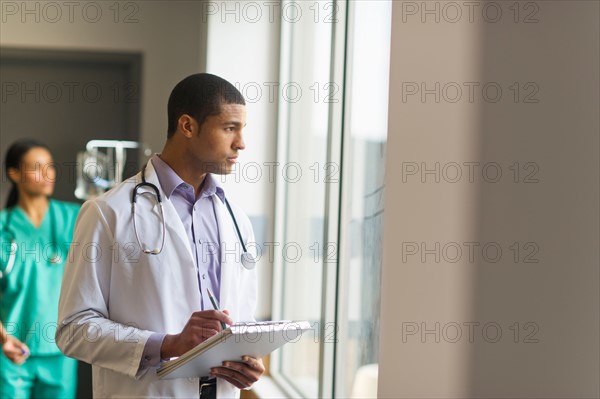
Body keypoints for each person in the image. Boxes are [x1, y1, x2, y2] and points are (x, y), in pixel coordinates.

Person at [57, 73, 265, 398]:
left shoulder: (236, 219)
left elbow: (241, 317)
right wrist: (167, 344)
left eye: (242, 130)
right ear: (188, 126)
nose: (241, 143)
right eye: (229, 128)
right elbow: (74, 329)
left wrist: (246, 360)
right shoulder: (108, 212)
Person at [0, 139, 79, 398]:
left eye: (51, 166)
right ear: (14, 174)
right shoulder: (4, 227)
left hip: (61, 351)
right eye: (37, 167)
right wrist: (3, 339)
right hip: (12, 351)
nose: (47, 174)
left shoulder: (76, 218)